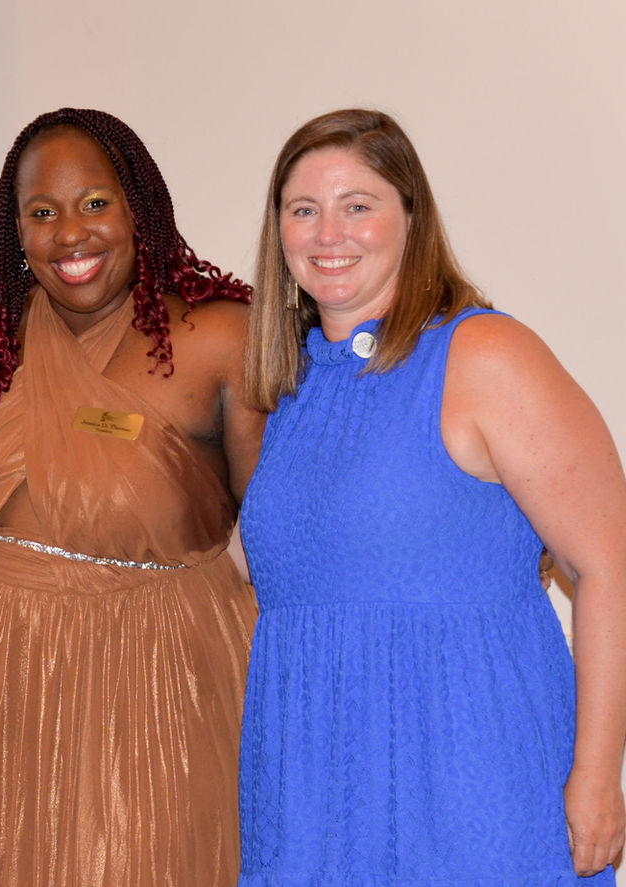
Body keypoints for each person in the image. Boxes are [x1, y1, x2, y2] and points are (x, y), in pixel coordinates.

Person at [238, 108, 626, 885]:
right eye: (303, 209)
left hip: (470, 781)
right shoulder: (289, 389)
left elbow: (607, 564)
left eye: (358, 205)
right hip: (312, 798)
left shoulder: (482, 353)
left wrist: (596, 774)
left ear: (411, 218)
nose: (328, 233)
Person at [0, 108, 260, 886]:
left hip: (145, 682)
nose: (70, 234)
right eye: (42, 212)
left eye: (94, 203)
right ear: (15, 231)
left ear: (139, 209)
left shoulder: (222, 338)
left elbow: (282, 534)